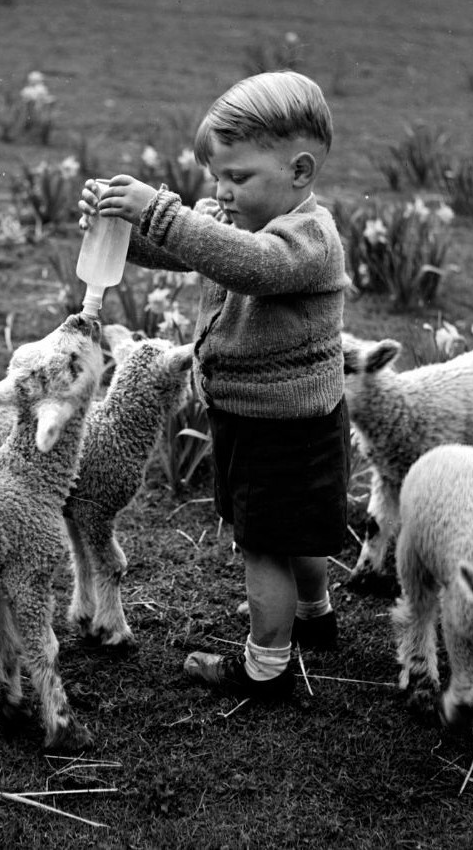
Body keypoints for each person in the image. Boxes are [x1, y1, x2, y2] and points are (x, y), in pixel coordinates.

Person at [77, 70, 350, 701]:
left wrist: (162, 212)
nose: (222, 192)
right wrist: (120, 223)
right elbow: (189, 250)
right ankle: (314, 616)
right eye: (216, 177)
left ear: (300, 172)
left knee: (263, 545)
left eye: (238, 178)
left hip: (282, 425)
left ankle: (266, 668)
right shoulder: (240, 223)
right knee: (295, 532)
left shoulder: (308, 239)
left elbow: (248, 265)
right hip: (257, 414)